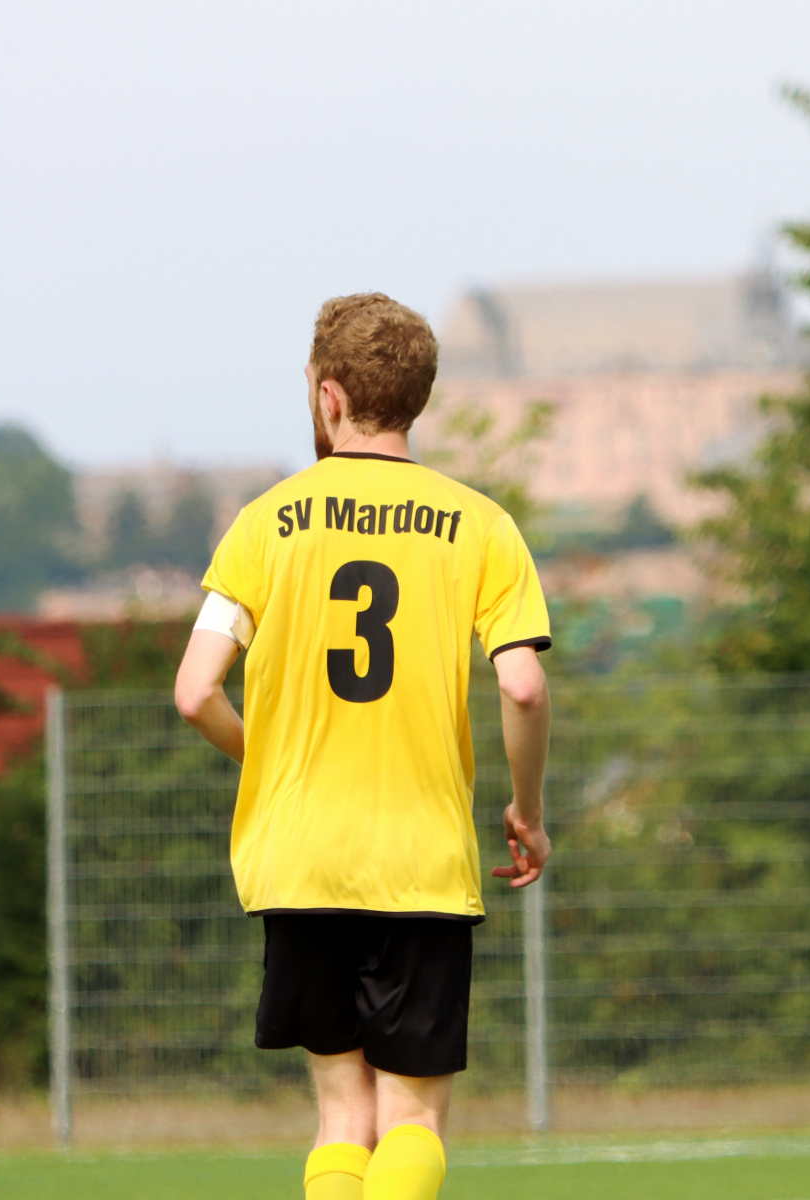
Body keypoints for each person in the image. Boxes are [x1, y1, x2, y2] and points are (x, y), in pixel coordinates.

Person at [174, 293, 551, 1200]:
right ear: (417, 398)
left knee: (343, 1117)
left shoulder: (264, 521)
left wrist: (270, 761)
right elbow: (523, 685)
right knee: (411, 1120)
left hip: (300, 858)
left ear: (328, 396)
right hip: (420, 860)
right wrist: (528, 812)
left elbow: (194, 692)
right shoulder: (481, 524)